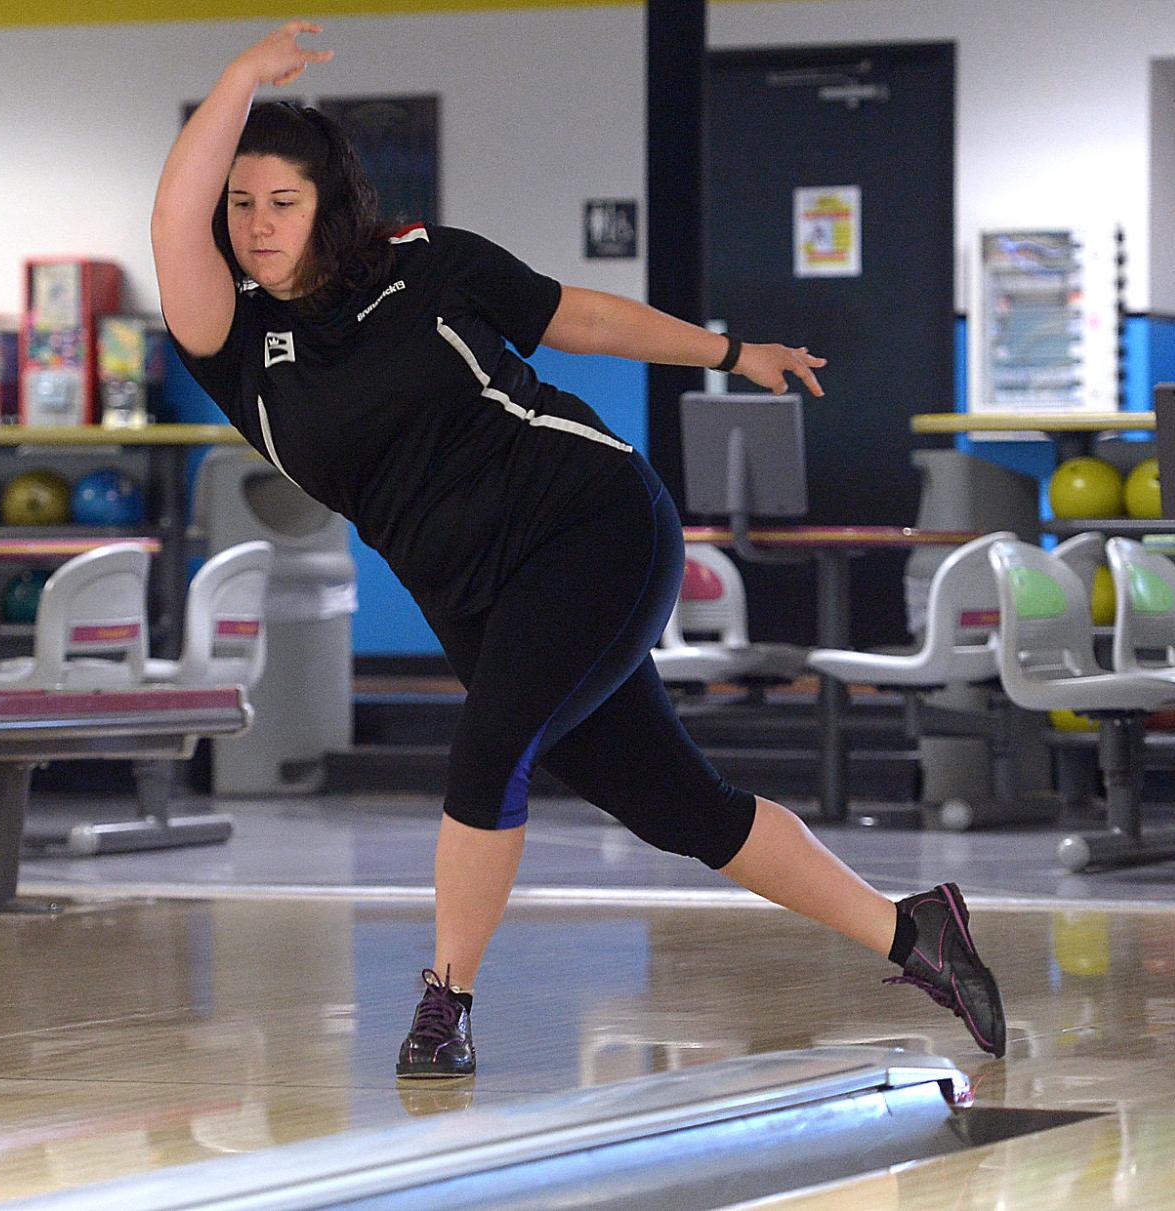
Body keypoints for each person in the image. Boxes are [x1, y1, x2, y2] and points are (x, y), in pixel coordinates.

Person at [151, 21, 1006, 1078]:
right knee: (679, 806)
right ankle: (914, 933)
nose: (256, 225)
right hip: (471, 596)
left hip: (591, 521)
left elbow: (582, 318)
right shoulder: (234, 344)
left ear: (330, 202)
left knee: (486, 750)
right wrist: (237, 81)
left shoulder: (429, 265)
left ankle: (445, 1000)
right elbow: (170, 223)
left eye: (281, 201)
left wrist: (735, 353)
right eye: (239, 206)